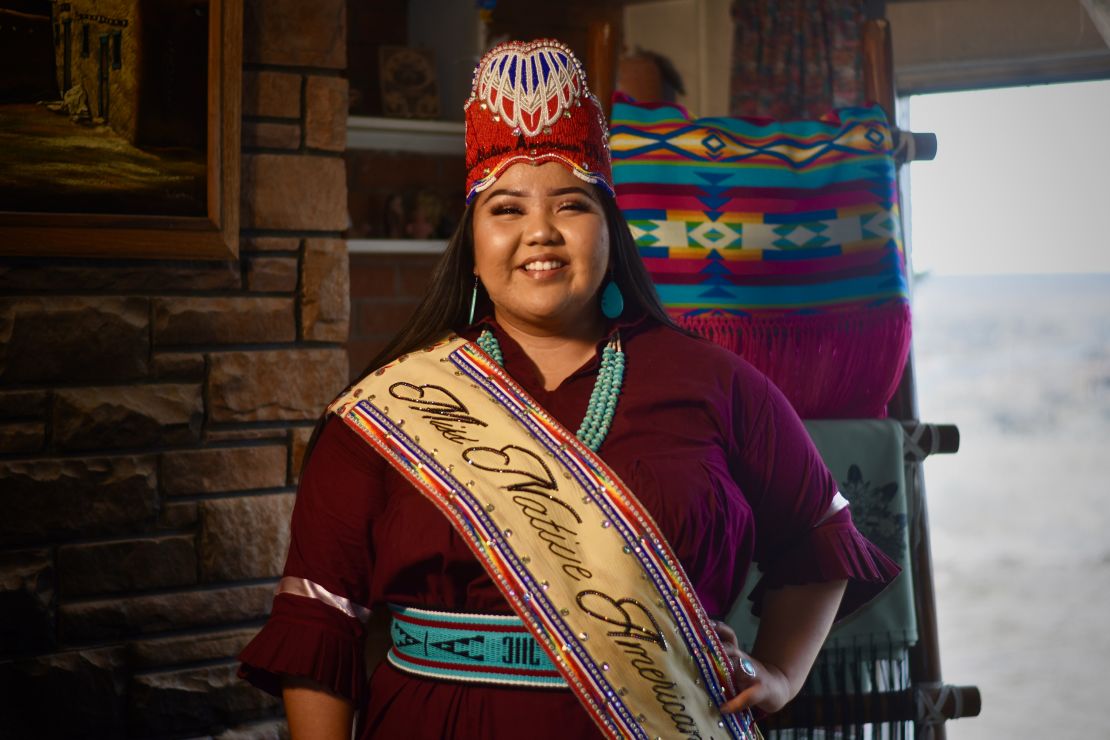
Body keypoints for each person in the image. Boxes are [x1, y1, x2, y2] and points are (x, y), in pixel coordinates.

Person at [239, 39, 898, 740]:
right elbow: (320, 622)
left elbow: (823, 537)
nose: (540, 233)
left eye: (571, 204)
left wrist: (779, 677)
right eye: (506, 209)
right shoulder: (388, 408)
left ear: (610, 225)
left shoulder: (715, 383)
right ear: (472, 238)